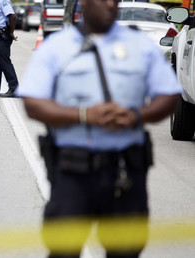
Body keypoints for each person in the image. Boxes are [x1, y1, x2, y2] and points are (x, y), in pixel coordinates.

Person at [17, 0, 182, 256]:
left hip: (126, 171)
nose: (110, 4)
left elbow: (169, 96)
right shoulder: (57, 47)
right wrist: (83, 115)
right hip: (73, 172)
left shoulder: (139, 46)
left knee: (126, 251)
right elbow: (33, 103)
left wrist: (135, 116)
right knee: (63, 250)